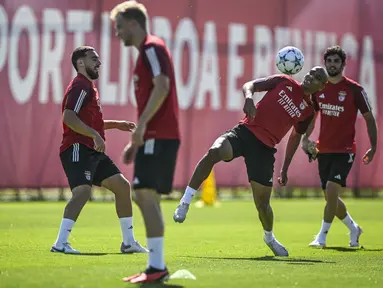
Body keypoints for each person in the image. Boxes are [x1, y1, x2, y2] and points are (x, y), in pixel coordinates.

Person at [173, 66, 328, 256]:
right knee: (214, 152)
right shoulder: (284, 81)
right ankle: (185, 201)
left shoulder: (308, 111)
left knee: (263, 205)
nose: (311, 77)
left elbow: (295, 137)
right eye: (311, 73)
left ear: (321, 87)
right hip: (244, 133)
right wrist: (248, 98)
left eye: (317, 77)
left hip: (264, 150)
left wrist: (285, 168)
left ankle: (269, 237)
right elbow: (250, 85)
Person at [51, 46, 147, 255]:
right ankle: (60, 243)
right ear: (80, 63)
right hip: (77, 147)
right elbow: (69, 117)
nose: (99, 62)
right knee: (82, 192)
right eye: (93, 58)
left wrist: (114, 124)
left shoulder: (89, 86)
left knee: (122, 186)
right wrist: (94, 135)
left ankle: (129, 242)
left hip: (92, 150)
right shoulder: (80, 86)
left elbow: (91, 121)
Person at [110, 1, 180, 283]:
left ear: (133, 23)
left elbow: (162, 86)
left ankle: (157, 266)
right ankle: (156, 265)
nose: (117, 33)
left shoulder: (151, 47)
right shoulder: (145, 52)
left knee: (144, 194)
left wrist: (140, 129)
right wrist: (137, 140)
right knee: (146, 195)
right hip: (154, 136)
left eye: (119, 27)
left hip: (158, 136)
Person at [301, 45, 377, 248]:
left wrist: (373, 147)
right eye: (329, 61)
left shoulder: (354, 89)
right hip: (323, 149)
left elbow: (369, 119)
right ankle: (353, 228)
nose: (332, 64)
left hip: (345, 151)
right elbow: (312, 117)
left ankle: (322, 237)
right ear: (324, 63)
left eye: (336, 61)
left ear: (343, 64)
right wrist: (305, 139)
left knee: (332, 190)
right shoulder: (320, 89)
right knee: (330, 197)